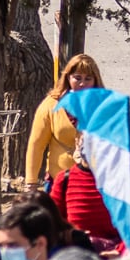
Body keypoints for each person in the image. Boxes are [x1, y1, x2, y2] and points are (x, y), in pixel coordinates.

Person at [24, 54, 102, 184]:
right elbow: (36, 145)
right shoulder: (51, 105)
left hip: (95, 183)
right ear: (68, 78)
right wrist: (30, 183)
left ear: (95, 80)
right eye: (77, 78)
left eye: (88, 79)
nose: (82, 83)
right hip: (59, 181)